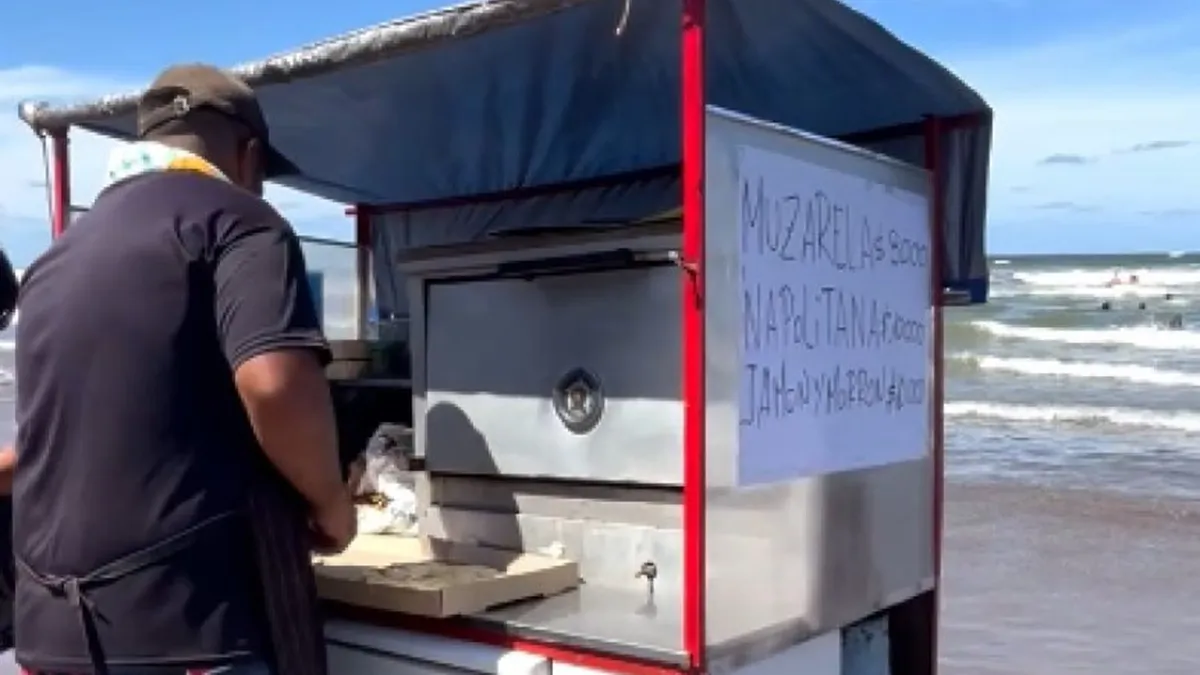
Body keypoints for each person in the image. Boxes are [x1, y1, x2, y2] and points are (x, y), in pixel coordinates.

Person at [12, 64, 354, 675]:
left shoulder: (52, 262)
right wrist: (330, 499)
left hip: (50, 635)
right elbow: (274, 385)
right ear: (247, 156)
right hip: (186, 629)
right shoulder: (239, 221)